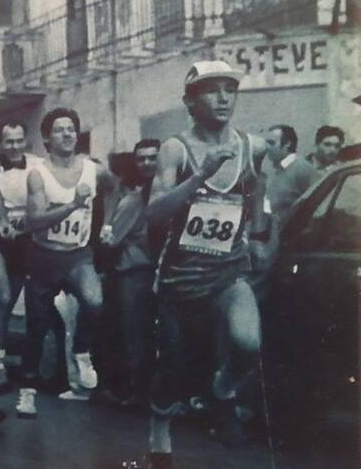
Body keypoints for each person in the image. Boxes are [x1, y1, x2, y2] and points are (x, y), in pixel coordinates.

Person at [145, 61, 268, 467]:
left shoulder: (253, 146)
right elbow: (155, 212)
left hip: (227, 274)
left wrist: (254, 235)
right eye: (211, 90)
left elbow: (256, 196)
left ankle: (224, 389)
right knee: (175, 374)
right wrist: (201, 175)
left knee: (248, 341)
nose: (222, 98)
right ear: (190, 101)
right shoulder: (175, 149)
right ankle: (159, 435)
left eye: (229, 90)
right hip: (179, 280)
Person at [16, 108, 113, 418]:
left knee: (94, 301)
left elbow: (114, 188)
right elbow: (35, 221)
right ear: (46, 138)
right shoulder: (38, 174)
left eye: (72, 128)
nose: (68, 134)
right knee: (37, 326)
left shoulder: (92, 169)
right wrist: (72, 204)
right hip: (44, 256)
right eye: (59, 130)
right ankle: (27, 393)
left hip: (77, 254)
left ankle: (82, 352)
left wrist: (107, 222)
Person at [101, 139, 161, 407]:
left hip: (165, 273)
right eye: (142, 159)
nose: (147, 163)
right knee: (135, 333)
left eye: (153, 157)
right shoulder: (134, 201)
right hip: (136, 273)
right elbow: (111, 241)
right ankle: (138, 392)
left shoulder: (171, 194)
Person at [0, 121, 40, 395]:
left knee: (18, 299)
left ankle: (9, 358)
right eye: (9, 142)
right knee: (2, 297)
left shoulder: (38, 165)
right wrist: (3, 221)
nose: (14, 147)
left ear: (25, 141)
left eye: (19, 141)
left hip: (25, 239)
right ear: (1, 143)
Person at [253, 125, 317, 286]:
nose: (266, 148)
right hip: (272, 245)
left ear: (287, 144)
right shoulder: (277, 171)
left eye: (271, 143)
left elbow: (317, 205)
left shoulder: (303, 169)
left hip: (289, 248)